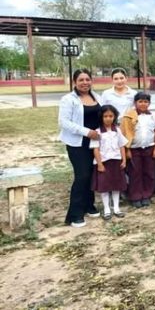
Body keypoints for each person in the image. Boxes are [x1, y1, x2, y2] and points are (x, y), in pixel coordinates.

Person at [58, 68, 102, 228]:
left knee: (91, 174)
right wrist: (86, 132)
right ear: (75, 82)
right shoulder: (68, 99)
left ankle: (89, 205)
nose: (85, 83)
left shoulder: (97, 96)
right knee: (82, 175)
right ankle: (75, 213)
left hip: (95, 143)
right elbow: (64, 122)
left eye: (87, 79)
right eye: (81, 80)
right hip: (77, 143)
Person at [121, 92, 155, 208]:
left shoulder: (154, 117)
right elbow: (125, 134)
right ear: (135, 103)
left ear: (149, 103)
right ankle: (135, 197)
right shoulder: (129, 117)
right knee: (135, 173)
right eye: (140, 102)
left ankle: (146, 195)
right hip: (134, 149)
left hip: (149, 148)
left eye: (145, 102)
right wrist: (127, 150)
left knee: (149, 173)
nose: (143, 104)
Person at [90, 105, 128, 220]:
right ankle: (107, 209)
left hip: (116, 162)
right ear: (101, 117)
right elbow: (95, 149)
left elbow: (121, 145)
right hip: (104, 163)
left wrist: (124, 159)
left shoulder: (117, 130)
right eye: (105, 116)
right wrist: (100, 164)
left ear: (114, 117)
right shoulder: (97, 132)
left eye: (111, 116)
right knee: (105, 187)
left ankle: (116, 208)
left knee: (116, 186)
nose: (108, 118)